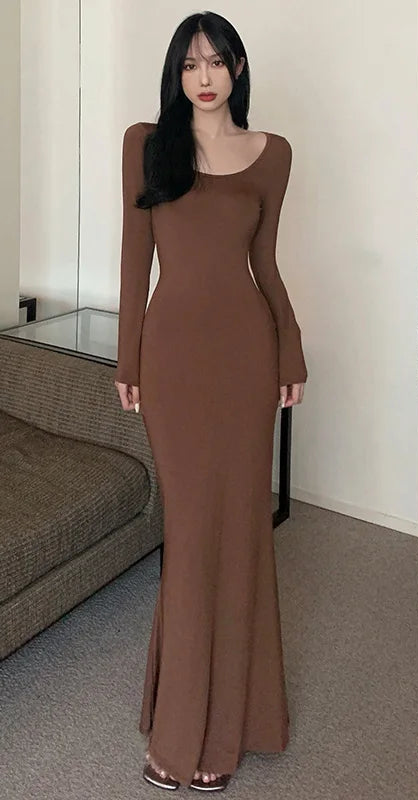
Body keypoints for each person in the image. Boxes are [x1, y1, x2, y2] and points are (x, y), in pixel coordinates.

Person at [112, 11, 308, 792]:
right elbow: (135, 263)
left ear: (237, 70)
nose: (204, 76)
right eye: (191, 63)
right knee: (191, 536)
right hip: (174, 365)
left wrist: (291, 349)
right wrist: (126, 358)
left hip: (247, 359)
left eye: (217, 61)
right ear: (177, 72)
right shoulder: (145, 144)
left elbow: (266, 262)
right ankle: (179, 730)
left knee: (242, 533)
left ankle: (231, 729)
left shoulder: (273, 153)